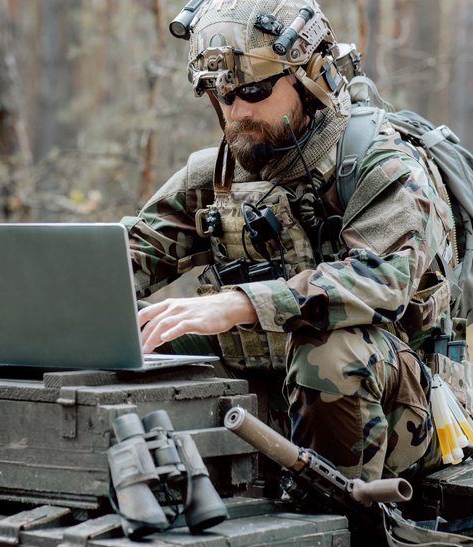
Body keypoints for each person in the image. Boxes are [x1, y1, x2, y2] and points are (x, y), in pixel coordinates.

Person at [124, 0, 455, 483]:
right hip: (271, 388)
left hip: (398, 409)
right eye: (221, 94)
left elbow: (384, 280)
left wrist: (240, 303)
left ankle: (347, 527)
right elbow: (132, 255)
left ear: (311, 77)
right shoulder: (214, 173)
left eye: (253, 91)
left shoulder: (379, 161)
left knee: (331, 352)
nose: (235, 112)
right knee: (149, 335)